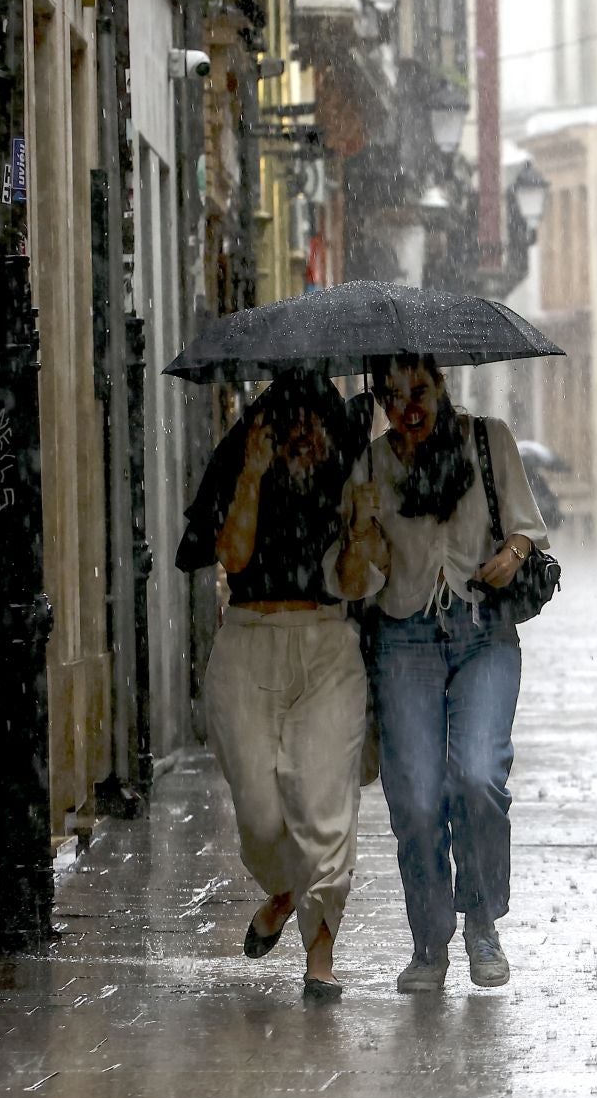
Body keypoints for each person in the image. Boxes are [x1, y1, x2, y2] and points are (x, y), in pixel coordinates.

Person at [175, 371, 384, 1003]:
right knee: (262, 819)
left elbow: (353, 582)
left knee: (323, 805)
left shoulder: (351, 468)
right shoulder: (243, 459)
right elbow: (232, 559)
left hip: (326, 645)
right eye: (289, 423)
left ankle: (320, 958)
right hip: (248, 643)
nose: (304, 435)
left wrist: (360, 525)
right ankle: (289, 889)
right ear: (266, 425)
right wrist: (252, 475)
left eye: (314, 423)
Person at [349, 355, 549, 993]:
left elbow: (527, 529)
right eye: (392, 396)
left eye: (419, 392)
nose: (408, 408)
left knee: (479, 776)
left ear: (441, 387)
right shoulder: (373, 464)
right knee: (413, 797)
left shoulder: (488, 442)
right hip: (401, 639)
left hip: (482, 634)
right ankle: (429, 941)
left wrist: (511, 555)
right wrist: (363, 534)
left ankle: (483, 923)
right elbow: (361, 572)